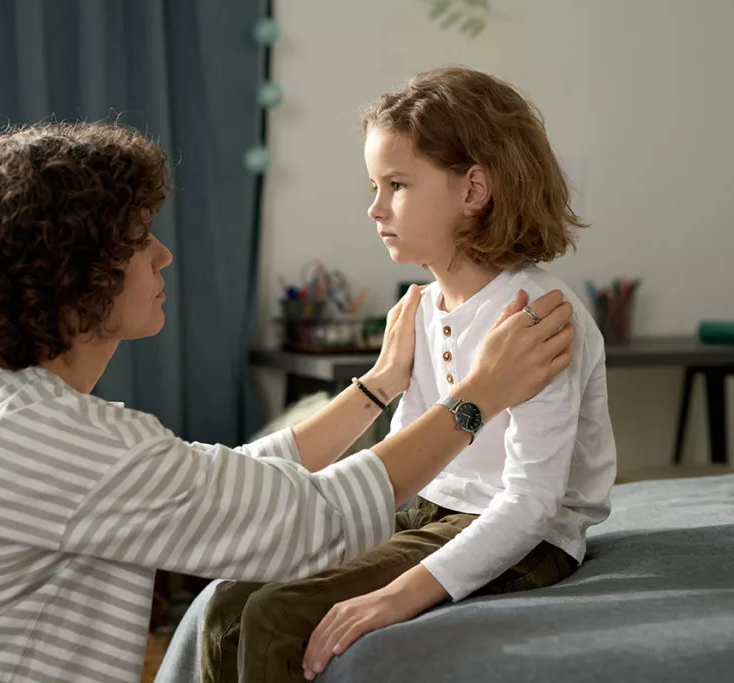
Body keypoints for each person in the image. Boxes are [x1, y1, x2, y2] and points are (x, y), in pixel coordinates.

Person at [0, 121, 575, 683]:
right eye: (140, 241)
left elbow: (222, 481)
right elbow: (304, 521)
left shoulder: (14, 406)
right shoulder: (48, 441)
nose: (164, 256)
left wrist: (378, 388)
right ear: (78, 276)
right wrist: (480, 395)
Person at [191, 67, 617, 683]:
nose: (374, 207)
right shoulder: (419, 307)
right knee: (229, 603)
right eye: (375, 184)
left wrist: (398, 594)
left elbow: (531, 502)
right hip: (428, 509)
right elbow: (412, 453)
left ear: (474, 190)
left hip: (525, 535)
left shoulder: (538, 316)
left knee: (278, 617)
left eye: (396, 185)